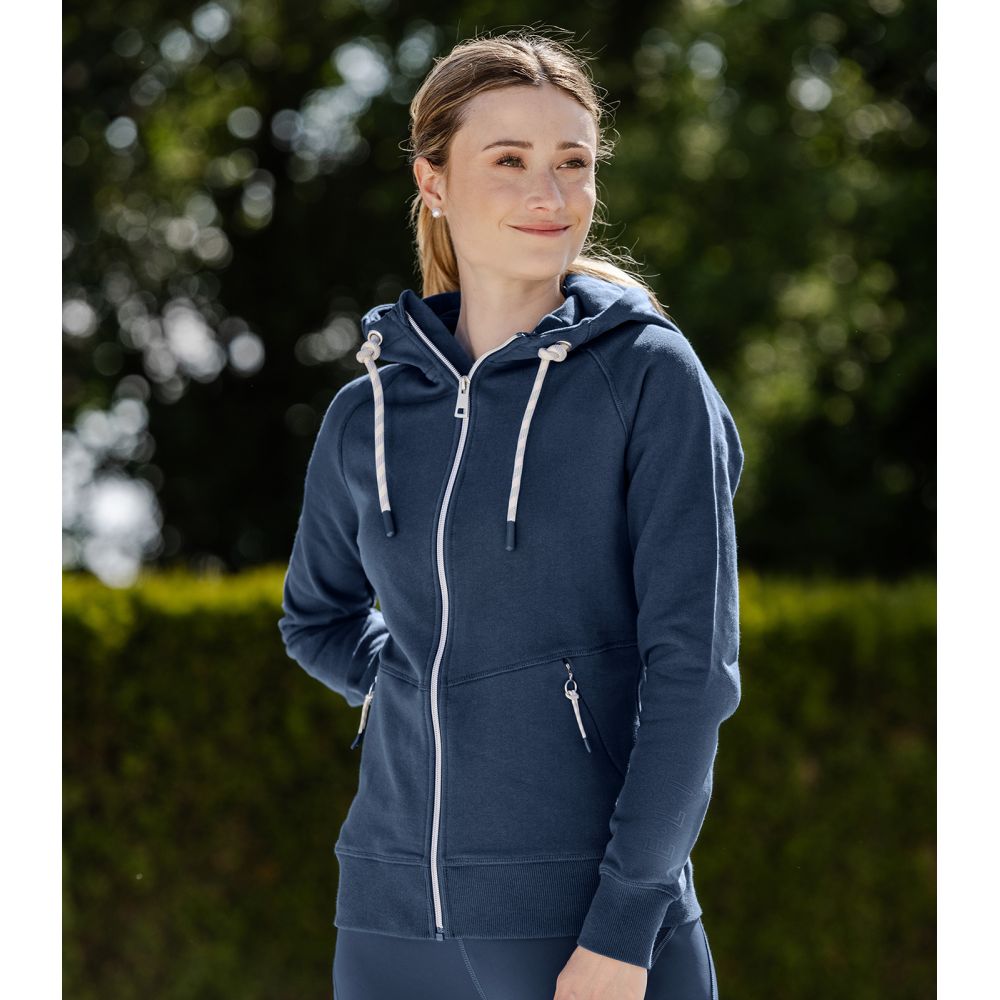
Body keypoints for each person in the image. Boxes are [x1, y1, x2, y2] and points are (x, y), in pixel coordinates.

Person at [278, 28, 742, 1000]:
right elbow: (316, 618)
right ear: (433, 181)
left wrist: (625, 924)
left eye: (573, 163)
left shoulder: (649, 379)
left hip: (583, 922)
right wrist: (421, 685)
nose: (551, 194)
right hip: (387, 921)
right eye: (509, 160)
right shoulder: (368, 411)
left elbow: (692, 673)